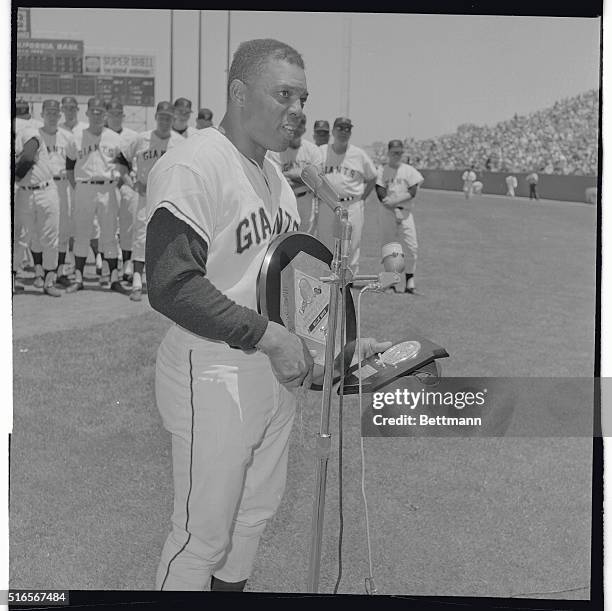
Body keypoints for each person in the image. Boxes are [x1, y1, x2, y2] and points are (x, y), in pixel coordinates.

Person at [145, 38, 389, 592]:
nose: (298, 110)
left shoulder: (278, 177)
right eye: (283, 94)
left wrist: (335, 348)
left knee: (252, 519)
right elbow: (171, 284)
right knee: (199, 538)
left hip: (270, 367)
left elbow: (280, 283)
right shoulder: (194, 162)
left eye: (302, 97)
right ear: (238, 92)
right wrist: (270, 338)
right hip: (212, 367)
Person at [115, 101, 183, 301]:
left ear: (173, 119)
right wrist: (130, 181)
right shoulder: (141, 138)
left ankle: (165, 284)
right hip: (145, 195)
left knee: (169, 238)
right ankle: (137, 282)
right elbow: (121, 158)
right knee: (141, 236)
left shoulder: (179, 142)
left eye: (168, 117)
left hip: (170, 198)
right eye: (162, 117)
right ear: (156, 117)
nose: (165, 121)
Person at [65, 97, 127, 294]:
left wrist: (116, 181)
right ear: (87, 113)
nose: (97, 114)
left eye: (101, 111)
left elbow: (125, 164)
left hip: (108, 188)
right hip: (84, 186)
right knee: (81, 234)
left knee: (110, 235)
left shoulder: (115, 138)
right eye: (94, 111)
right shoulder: (76, 137)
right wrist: (79, 187)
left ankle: (114, 279)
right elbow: (69, 168)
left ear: (105, 114)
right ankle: (79, 278)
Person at [318, 117, 377, 276]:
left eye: (347, 129)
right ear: (333, 130)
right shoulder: (321, 151)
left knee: (350, 247)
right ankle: (326, 289)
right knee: (325, 246)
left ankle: (347, 291)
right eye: (340, 128)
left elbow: (372, 177)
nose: (344, 132)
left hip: (352, 205)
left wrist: (362, 199)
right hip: (328, 205)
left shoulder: (359, 154)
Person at [14, 99, 61, 297]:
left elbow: (27, 158)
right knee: (24, 238)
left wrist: (13, 176)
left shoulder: (27, 127)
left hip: (44, 190)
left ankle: (48, 279)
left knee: (39, 237)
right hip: (25, 191)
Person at [375, 139, 424, 295]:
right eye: (394, 152)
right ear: (389, 152)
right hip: (387, 212)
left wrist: (395, 200)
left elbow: (413, 191)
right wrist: (389, 202)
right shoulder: (382, 170)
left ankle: (410, 281)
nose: (397, 155)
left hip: (405, 212)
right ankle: (389, 283)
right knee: (388, 247)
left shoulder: (409, 170)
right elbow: (380, 191)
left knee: (411, 247)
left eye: (400, 152)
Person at [38, 99, 77, 288]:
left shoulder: (67, 136)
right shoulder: (35, 135)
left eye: (55, 113)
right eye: (49, 112)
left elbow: (73, 163)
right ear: (42, 113)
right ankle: (40, 271)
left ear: (59, 115)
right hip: (43, 185)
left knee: (63, 231)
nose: (52, 116)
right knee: (40, 231)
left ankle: (60, 271)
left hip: (62, 186)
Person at [267, 113, 323, 233]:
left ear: (304, 129)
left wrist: (287, 175)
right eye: (294, 125)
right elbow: (277, 181)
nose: (297, 129)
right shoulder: (276, 150)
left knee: (305, 240)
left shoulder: (312, 150)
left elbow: (317, 180)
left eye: (300, 126)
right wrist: (304, 176)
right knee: (283, 237)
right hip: (283, 200)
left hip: (306, 201)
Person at [105, 99, 139, 281]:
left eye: (119, 114)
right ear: (106, 115)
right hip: (106, 187)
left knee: (128, 226)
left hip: (125, 184)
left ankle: (127, 263)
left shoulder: (133, 135)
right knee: (108, 227)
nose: (116, 117)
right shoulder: (99, 134)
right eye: (112, 113)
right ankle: (107, 265)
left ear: (123, 116)